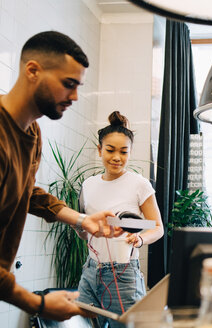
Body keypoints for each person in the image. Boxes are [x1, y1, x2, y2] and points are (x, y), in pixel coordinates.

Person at [0, 31, 123, 321]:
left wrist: (82, 220)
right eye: (68, 85)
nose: (75, 97)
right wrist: (38, 305)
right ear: (33, 71)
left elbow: (26, 193)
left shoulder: (32, 133)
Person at [76, 111, 164, 328]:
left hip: (123, 274)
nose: (117, 157)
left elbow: (156, 227)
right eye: (110, 150)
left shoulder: (139, 184)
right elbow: (84, 230)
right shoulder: (88, 185)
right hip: (90, 271)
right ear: (99, 150)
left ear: (130, 152)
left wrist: (141, 239)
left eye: (124, 152)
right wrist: (80, 227)